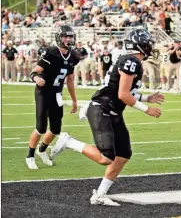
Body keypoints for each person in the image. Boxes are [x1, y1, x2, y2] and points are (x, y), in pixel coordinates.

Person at [51, 29, 164, 206]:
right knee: (106, 157)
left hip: (112, 110)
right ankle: (68, 142)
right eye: (148, 43)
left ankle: (100, 195)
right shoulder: (131, 61)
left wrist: (146, 97)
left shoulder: (131, 60)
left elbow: (124, 91)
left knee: (124, 154)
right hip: (102, 108)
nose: (150, 46)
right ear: (141, 45)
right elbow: (123, 95)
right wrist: (146, 108)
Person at [25, 25, 79, 170]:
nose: (68, 39)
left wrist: (74, 100)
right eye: (65, 36)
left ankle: (41, 150)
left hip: (57, 94)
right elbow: (34, 72)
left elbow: (70, 80)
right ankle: (30, 156)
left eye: (70, 36)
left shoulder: (74, 56)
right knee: (41, 127)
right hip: (43, 92)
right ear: (59, 38)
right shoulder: (50, 52)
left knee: (55, 129)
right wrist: (36, 78)